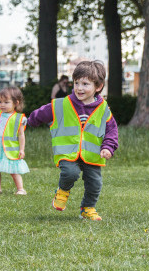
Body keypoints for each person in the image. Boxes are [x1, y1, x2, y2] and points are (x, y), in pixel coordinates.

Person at [28, 61, 118, 221]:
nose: (79, 88)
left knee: (95, 183)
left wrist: (108, 147)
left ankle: (87, 208)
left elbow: (112, 130)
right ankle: (62, 191)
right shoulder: (62, 104)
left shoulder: (104, 109)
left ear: (98, 87)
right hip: (67, 152)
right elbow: (42, 113)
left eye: (85, 84)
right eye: (76, 83)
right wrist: (30, 121)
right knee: (71, 173)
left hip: (92, 155)